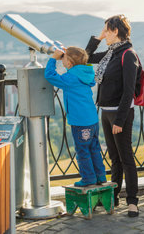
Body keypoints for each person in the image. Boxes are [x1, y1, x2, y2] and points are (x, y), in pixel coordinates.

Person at [84, 14, 140, 217]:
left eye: (107, 30)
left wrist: (120, 119)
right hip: (105, 111)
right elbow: (86, 57)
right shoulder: (110, 53)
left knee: (126, 158)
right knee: (114, 158)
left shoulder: (128, 55)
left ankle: (133, 201)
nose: (105, 34)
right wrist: (97, 38)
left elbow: (128, 90)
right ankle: (113, 197)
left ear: (116, 31)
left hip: (119, 113)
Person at [44, 46, 107, 187]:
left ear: (70, 62)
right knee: (94, 148)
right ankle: (100, 176)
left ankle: (88, 178)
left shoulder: (70, 78)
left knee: (82, 150)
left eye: (64, 59)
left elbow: (49, 75)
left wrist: (53, 58)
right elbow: (74, 72)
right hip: (92, 119)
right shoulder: (85, 75)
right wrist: (67, 55)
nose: (63, 62)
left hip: (80, 122)